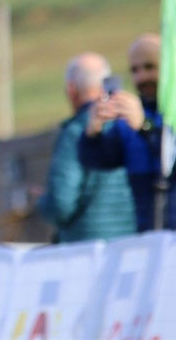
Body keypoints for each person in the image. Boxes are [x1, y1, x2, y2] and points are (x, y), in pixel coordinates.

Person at [80, 34, 176, 230]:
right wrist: (92, 132)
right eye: (134, 70)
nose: (141, 77)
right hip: (151, 234)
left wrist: (145, 128)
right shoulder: (132, 116)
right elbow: (98, 161)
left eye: (149, 67)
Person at [36, 53, 137, 243]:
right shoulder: (131, 125)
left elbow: (61, 204)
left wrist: (43, 202)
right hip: (133, 244)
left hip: (87, 249)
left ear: (71, 90)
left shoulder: (75, 132)